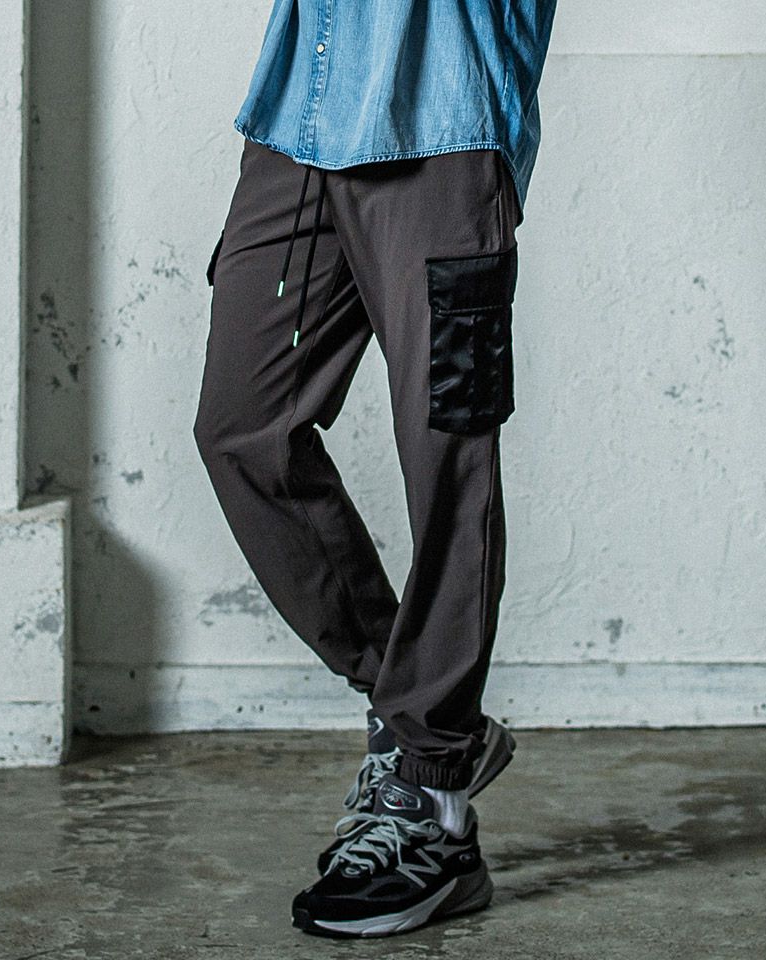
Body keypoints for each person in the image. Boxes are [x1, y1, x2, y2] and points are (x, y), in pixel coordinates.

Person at [193, 0, 557, 939]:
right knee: (243, 431)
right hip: (301, 116)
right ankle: (417, 712)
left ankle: (434, 800)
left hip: (443, 122)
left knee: (447, 465)